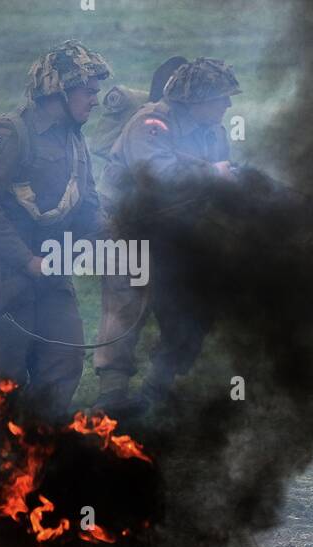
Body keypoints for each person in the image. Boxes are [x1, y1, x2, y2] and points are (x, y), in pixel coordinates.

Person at [0, 40, 111, 416]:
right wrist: (27, 261)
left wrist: (120, 232)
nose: (95, 100)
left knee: (64, 365)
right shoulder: (9, 134)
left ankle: (38, 458)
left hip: (48, 267)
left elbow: (86, 203)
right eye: (88, 91)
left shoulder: (74, 140)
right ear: (59, 88)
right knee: (5, 378)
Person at [91, 57, 240, 414]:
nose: (228, 105)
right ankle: (111, 396)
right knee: (127, 305)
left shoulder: (213, 132)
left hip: (178, 232)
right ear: (197, 98)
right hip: (130, 228)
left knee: (193, 309)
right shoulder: (151, 122)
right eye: (221, 97)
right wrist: (211, 173)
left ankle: (157, 389)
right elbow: (156, 176)